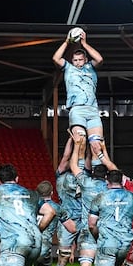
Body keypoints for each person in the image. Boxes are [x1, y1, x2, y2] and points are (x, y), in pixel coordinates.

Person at [52, 28, 107, 167]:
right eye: (75, 60)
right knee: (80, 143)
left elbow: (100, 59)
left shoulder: (91, 67)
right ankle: (80, 179)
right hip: (77, 110)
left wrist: (84, 43)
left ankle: (96, 178)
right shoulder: (68, 68)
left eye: (80, 59)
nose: (77, 62)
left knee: (97, 145)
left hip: (93, 111)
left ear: (85, 59)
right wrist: (66, 42)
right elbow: (56, 58)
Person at [68, 128, 108, 266]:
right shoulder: (111, 187)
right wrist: (102, 150)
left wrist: (77, 145)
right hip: (106, 232)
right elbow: (114, 170)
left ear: (93, 173)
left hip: (87, 231)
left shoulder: (86, 182)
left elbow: (73, 165)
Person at [34, 180, 77, 266]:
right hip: (43, 247)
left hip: (27, 244)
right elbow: (71, 228)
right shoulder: (56, 208)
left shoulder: (30, 204)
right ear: (52, 193)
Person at [53, 137, 80, 266]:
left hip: (70, 220)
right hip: (73, 220)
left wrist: (74, 141)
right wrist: (73, 140)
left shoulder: (65, 175)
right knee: (83, 259)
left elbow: (65, 157)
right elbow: (65, 156)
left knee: (80, 260)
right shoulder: (71, 175)